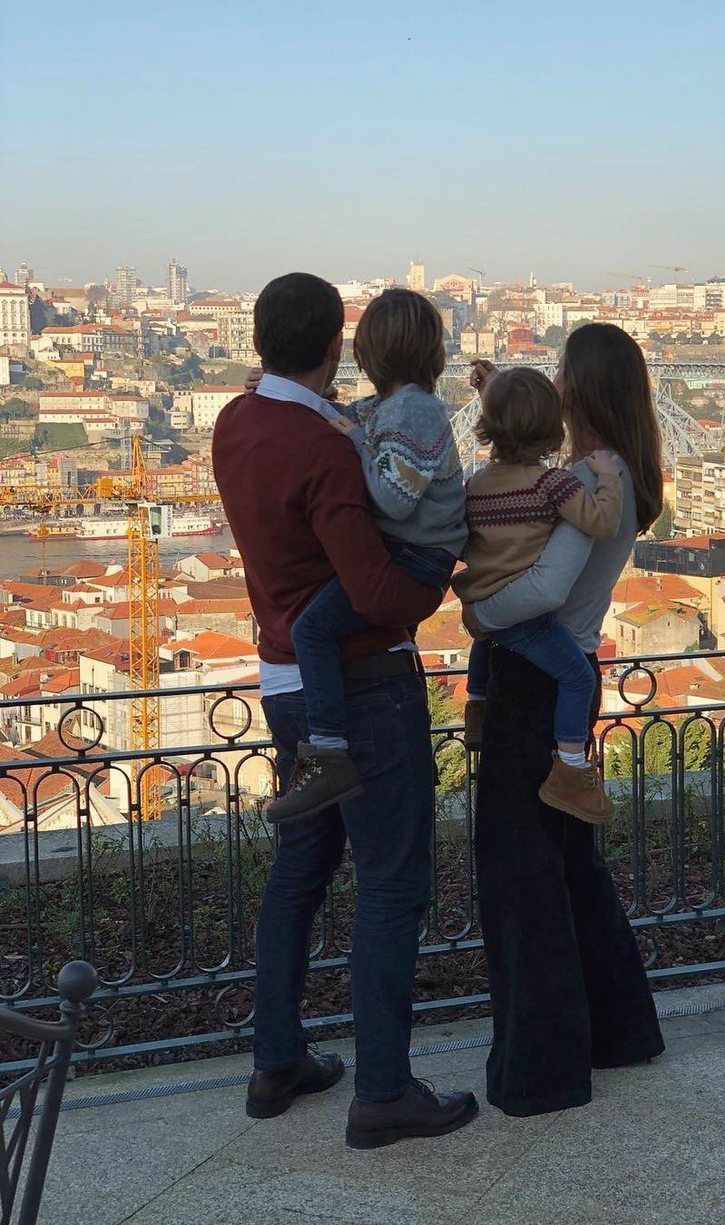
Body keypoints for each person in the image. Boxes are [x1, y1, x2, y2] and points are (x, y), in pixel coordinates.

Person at [212, 272, 477, 1148]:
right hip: (365, 685)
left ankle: (276, 1060)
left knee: (301, 870)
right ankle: (384, 1091)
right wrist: (434, 582)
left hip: (287, 682)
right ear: (335, 347)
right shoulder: (325, 447)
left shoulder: (235, 424)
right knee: (392, 883)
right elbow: (374, 591)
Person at [466, 323, 667, 1117]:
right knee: (571, 868)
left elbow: (544, 589)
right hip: (571, 681)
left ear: (578, 391)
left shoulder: (585, 480)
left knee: (523, 879)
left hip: (534, 682)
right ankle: (619, 1030)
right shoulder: (620, 475)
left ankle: (541, 1068)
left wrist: (479, 614)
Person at [264, 288, 467, 823]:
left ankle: (327, 753)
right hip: (405, 552)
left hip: (416, 555)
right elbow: (337, 417)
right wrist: (275, 392)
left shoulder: (417, 410)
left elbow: (394, 500)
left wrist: (354, 440)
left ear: (370, 351)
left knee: (311, 631)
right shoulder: (387, 406)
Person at [453, 366, 623, 823]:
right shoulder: (553, 484)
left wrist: (493, 389)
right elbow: (602, 523)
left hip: (482, 604)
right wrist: (607, 477)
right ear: (553, 430)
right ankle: (571, 769)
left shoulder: (478, 485)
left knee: (485, 637)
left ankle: (477, 708)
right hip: (525, 617)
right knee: (578, 679)